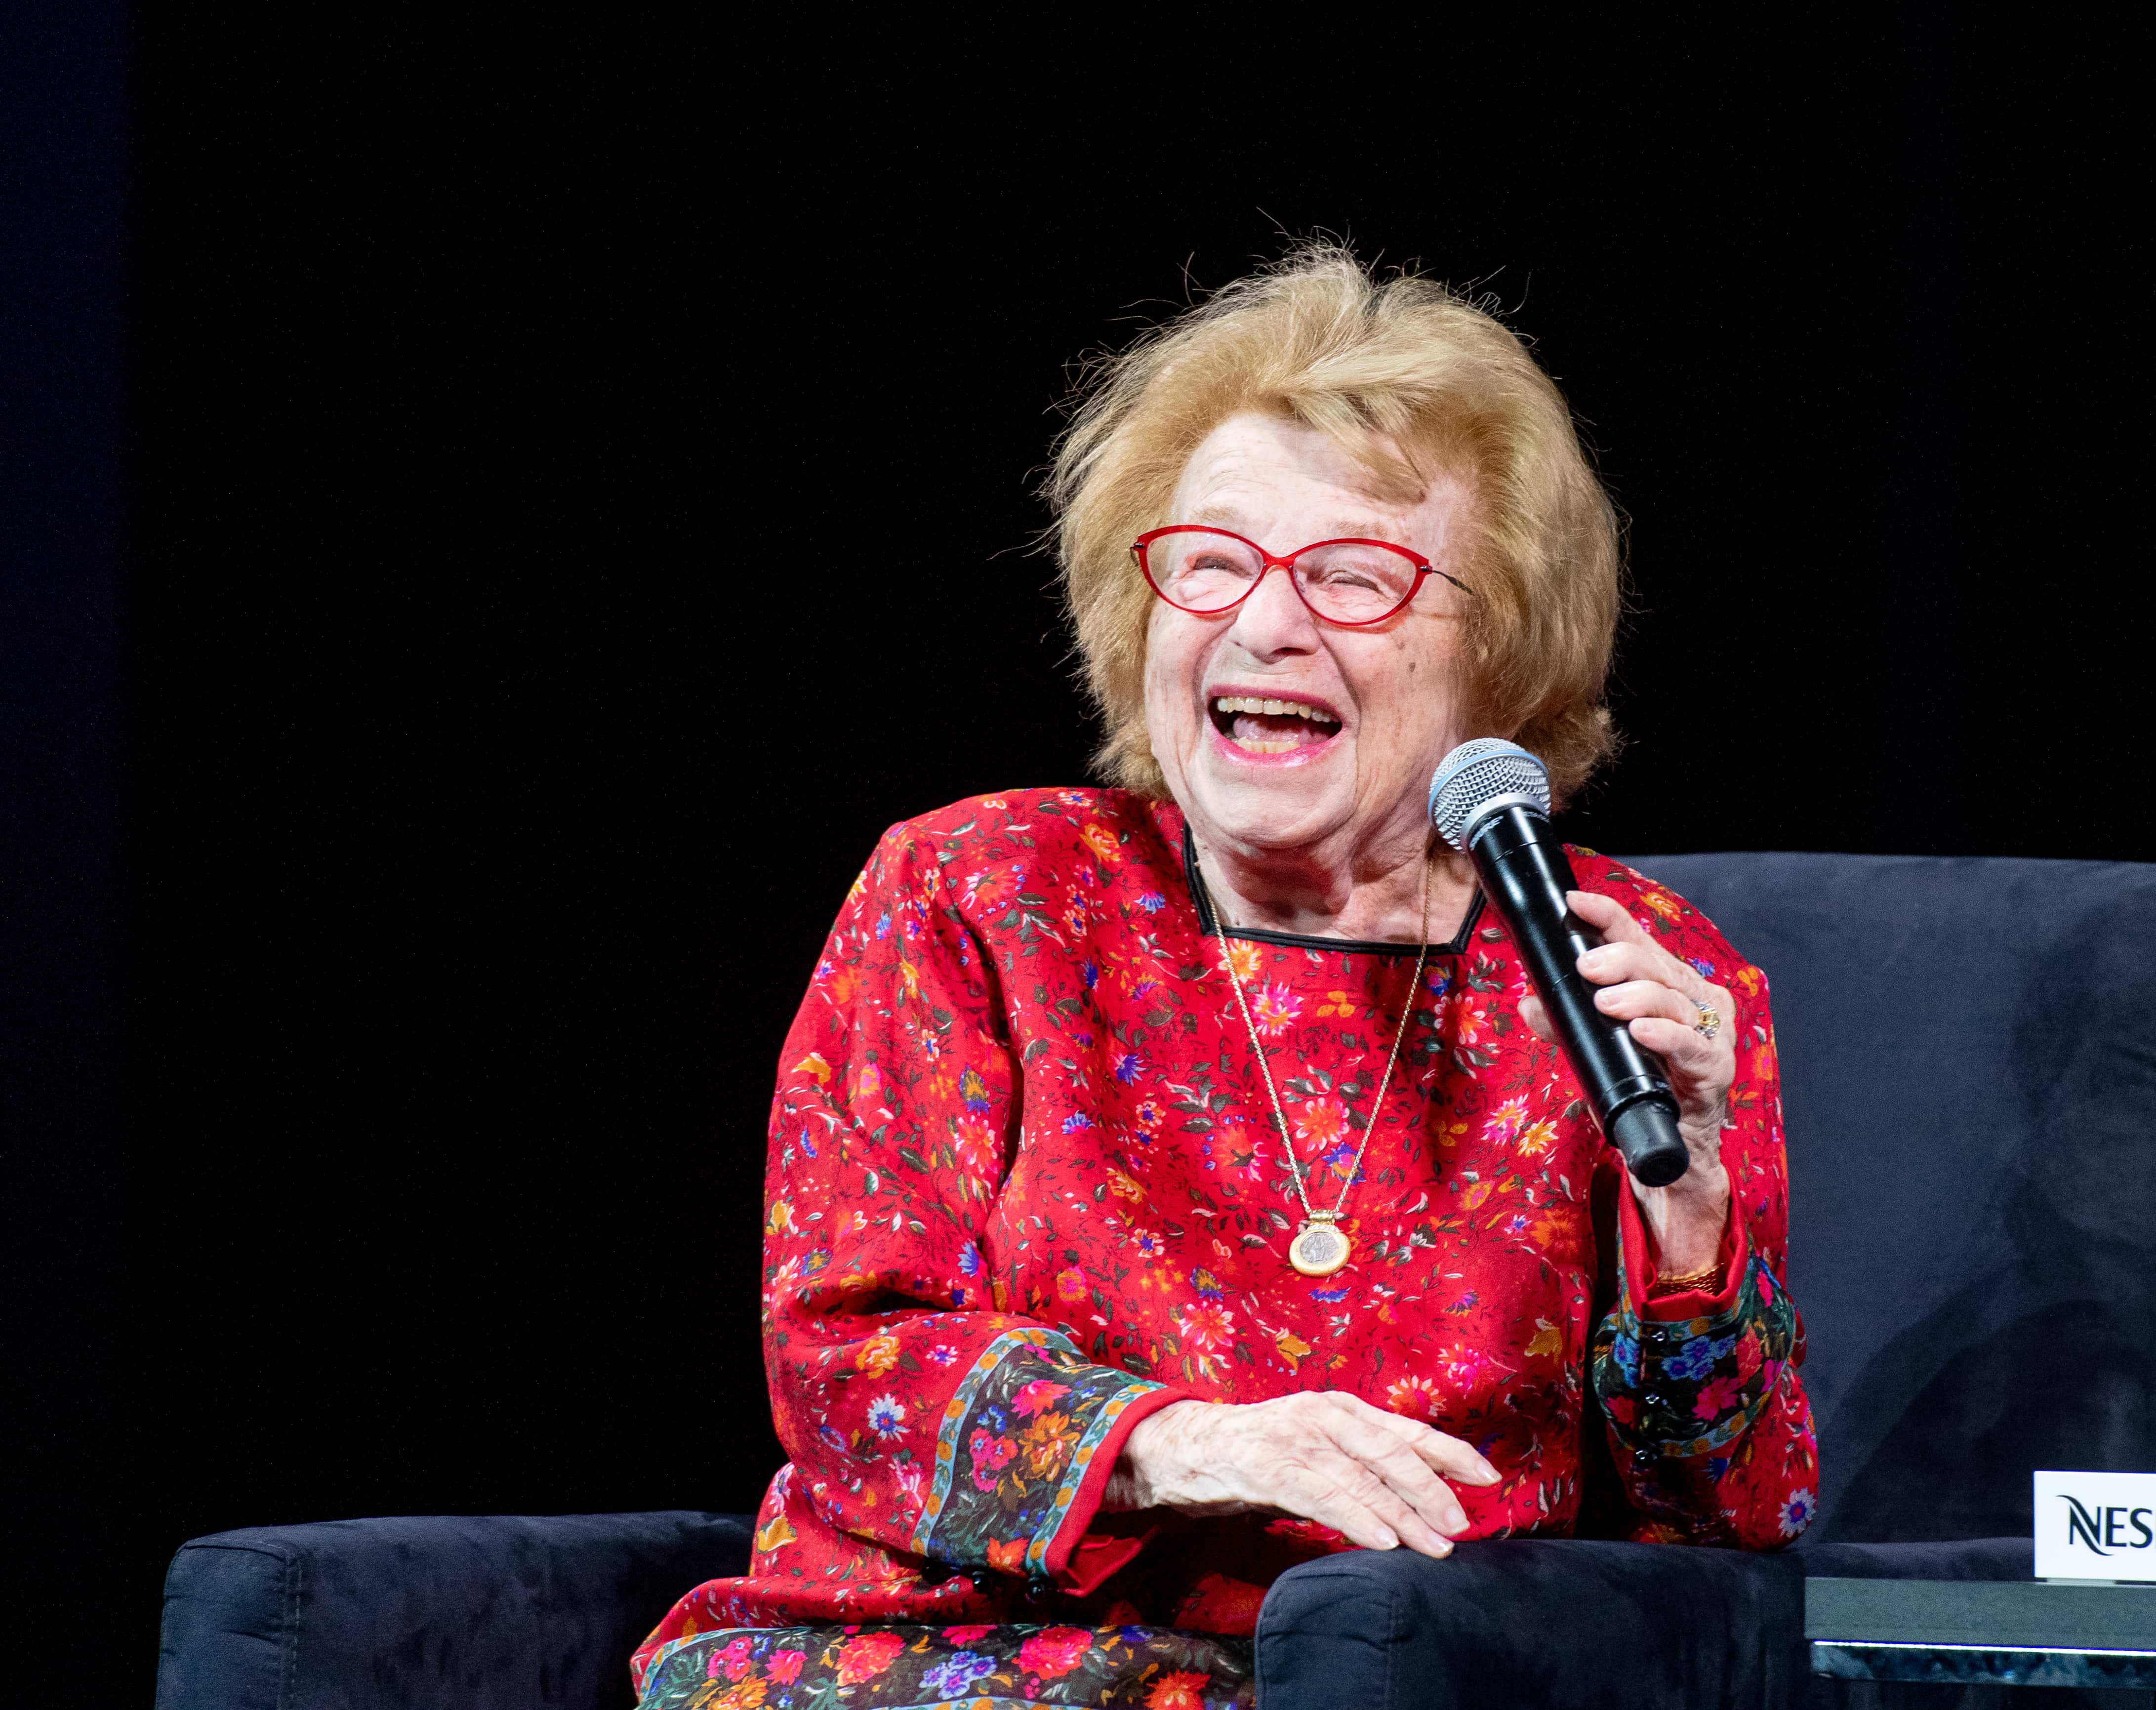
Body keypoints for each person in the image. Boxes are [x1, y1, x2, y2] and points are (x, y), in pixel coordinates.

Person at [632, 246, 1818, 1710]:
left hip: (1382, 1681)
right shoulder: (982, 892)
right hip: (934, 1657)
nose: (1264, 624)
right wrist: (1186, 1442)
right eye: (1212, 562)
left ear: (1498, 653)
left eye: (1353, 578)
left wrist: (1689, 1214)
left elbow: (1732, 1532)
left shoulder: (1635, 977)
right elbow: (848, 1366)